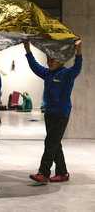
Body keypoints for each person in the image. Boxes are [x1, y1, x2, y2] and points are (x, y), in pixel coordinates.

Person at [23, 39, 82, 184]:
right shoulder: (48, 73)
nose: (49, 61)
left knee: (50, 142)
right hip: (49, 113)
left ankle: (43, 173)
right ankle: (62, 173)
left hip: (61, 114)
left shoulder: (67, 74)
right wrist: (28, 50)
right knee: (55, 144)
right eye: (48, 59)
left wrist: (78, 51)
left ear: (61, 61)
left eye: (53, 59)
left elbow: (77, 67)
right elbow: (35, 66)